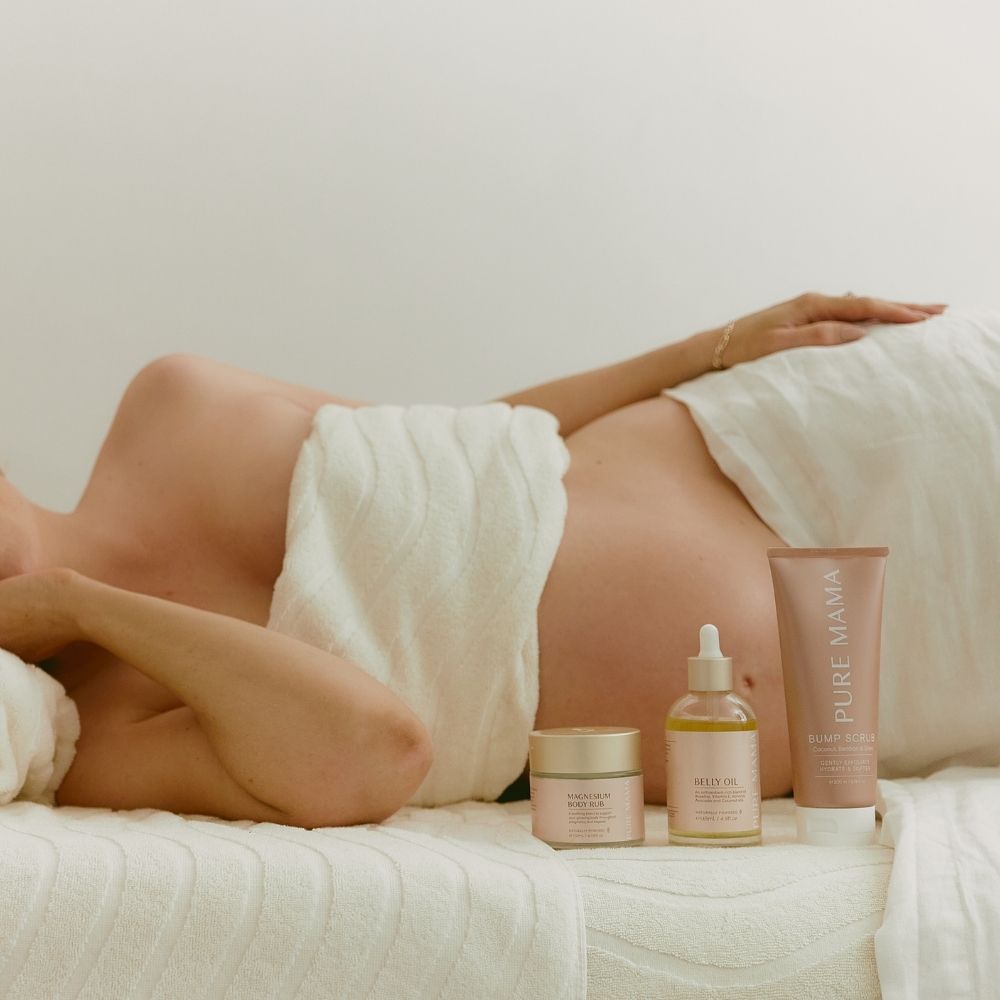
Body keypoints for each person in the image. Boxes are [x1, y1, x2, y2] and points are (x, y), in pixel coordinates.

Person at [0, 291, 946, 829]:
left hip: (773, 432)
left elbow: (472, 434)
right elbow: (377, 750)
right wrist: (82, 607)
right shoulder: (101, 738)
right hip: (859, 690)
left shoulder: (173, 402)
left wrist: (715, 346)